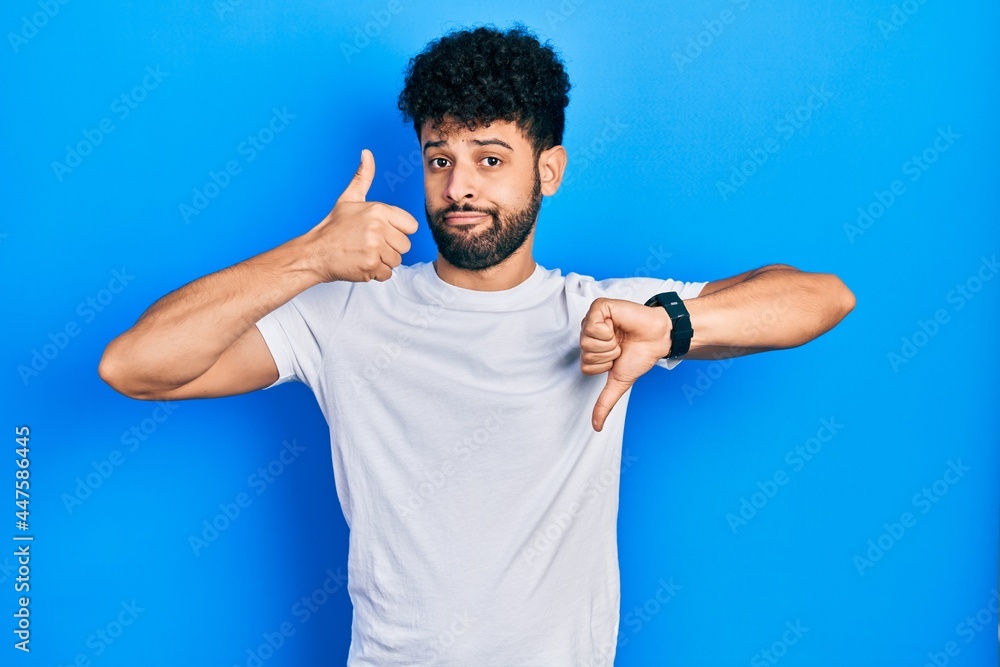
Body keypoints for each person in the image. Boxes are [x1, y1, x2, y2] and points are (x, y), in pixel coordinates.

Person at [99, 23, 855, 667]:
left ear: (548, 170)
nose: (459, 186)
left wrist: (672, 324)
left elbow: (822, 298)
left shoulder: (606, 311)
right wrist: (309, 257)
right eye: (440, 158)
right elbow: (133, 366)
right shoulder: (344, 311)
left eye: (490, 159)